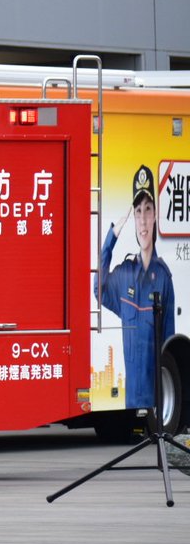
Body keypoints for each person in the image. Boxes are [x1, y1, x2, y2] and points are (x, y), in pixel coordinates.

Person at [96, 164, 176, 409]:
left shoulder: (163, 278)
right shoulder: (123, 274)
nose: (142, 220)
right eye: (138, 210)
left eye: (148, 210)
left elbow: (169, 344)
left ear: (154, 216)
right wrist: (111, 239)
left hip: (157, 401)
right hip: (130, 401)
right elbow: (98, 289)